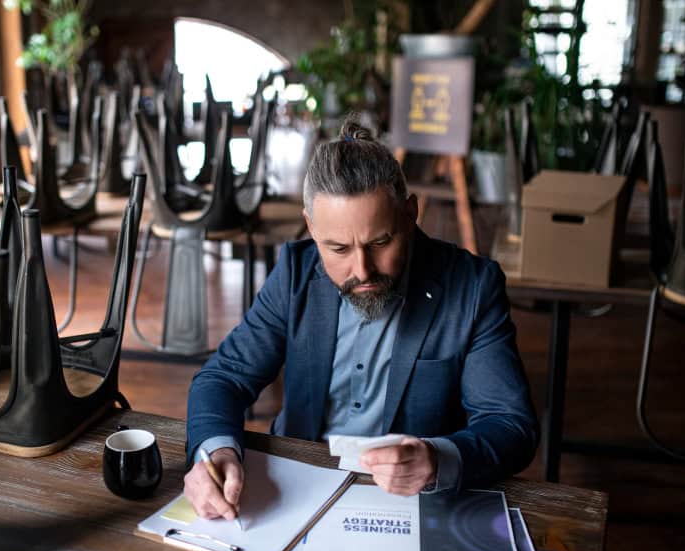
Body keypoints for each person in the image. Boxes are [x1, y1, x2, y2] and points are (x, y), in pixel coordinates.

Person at [183, 118, 539, 522]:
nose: (363, 270)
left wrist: (437, 460)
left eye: (380, 242)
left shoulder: (472, 287)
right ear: (311, 228)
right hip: (295, 488)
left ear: (410, 214)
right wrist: (216, 452)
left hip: (411, 502)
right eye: (337, 248)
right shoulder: (295, 275)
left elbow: (510, 424)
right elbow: (224, 378)